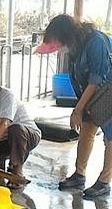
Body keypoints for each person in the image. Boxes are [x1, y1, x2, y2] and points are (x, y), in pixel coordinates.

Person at [36, 14, 112, 199]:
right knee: (86, 131)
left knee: (110, 136)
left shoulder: (96, 42)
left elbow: (96, 79)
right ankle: (79, 175)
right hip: (91, 94)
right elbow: (78, 78)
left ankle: (104, 182)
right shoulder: (74, 46)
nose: (55, 46)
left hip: (107, 91)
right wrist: (81, 107)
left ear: (65, 34)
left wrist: (77, 109)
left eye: (56, 40)